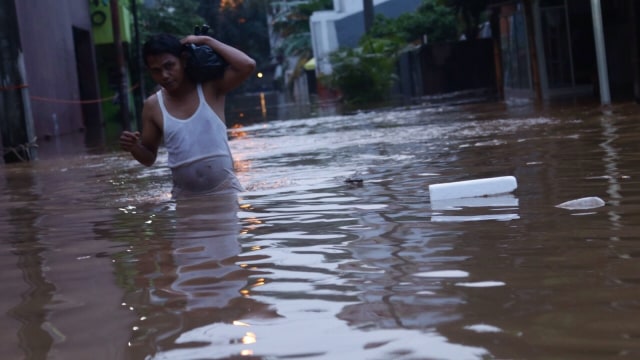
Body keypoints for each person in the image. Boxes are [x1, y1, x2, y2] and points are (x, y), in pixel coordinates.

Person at [120, 33, 255, 198]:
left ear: (183, 60)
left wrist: (205, 40)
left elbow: (247, 65)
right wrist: (134, 147)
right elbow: (148, 158)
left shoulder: (210, 89)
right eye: (156, 71)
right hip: (184, 198)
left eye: (169, 66)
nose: (164, 75)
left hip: (225, 191)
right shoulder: (153, 106)